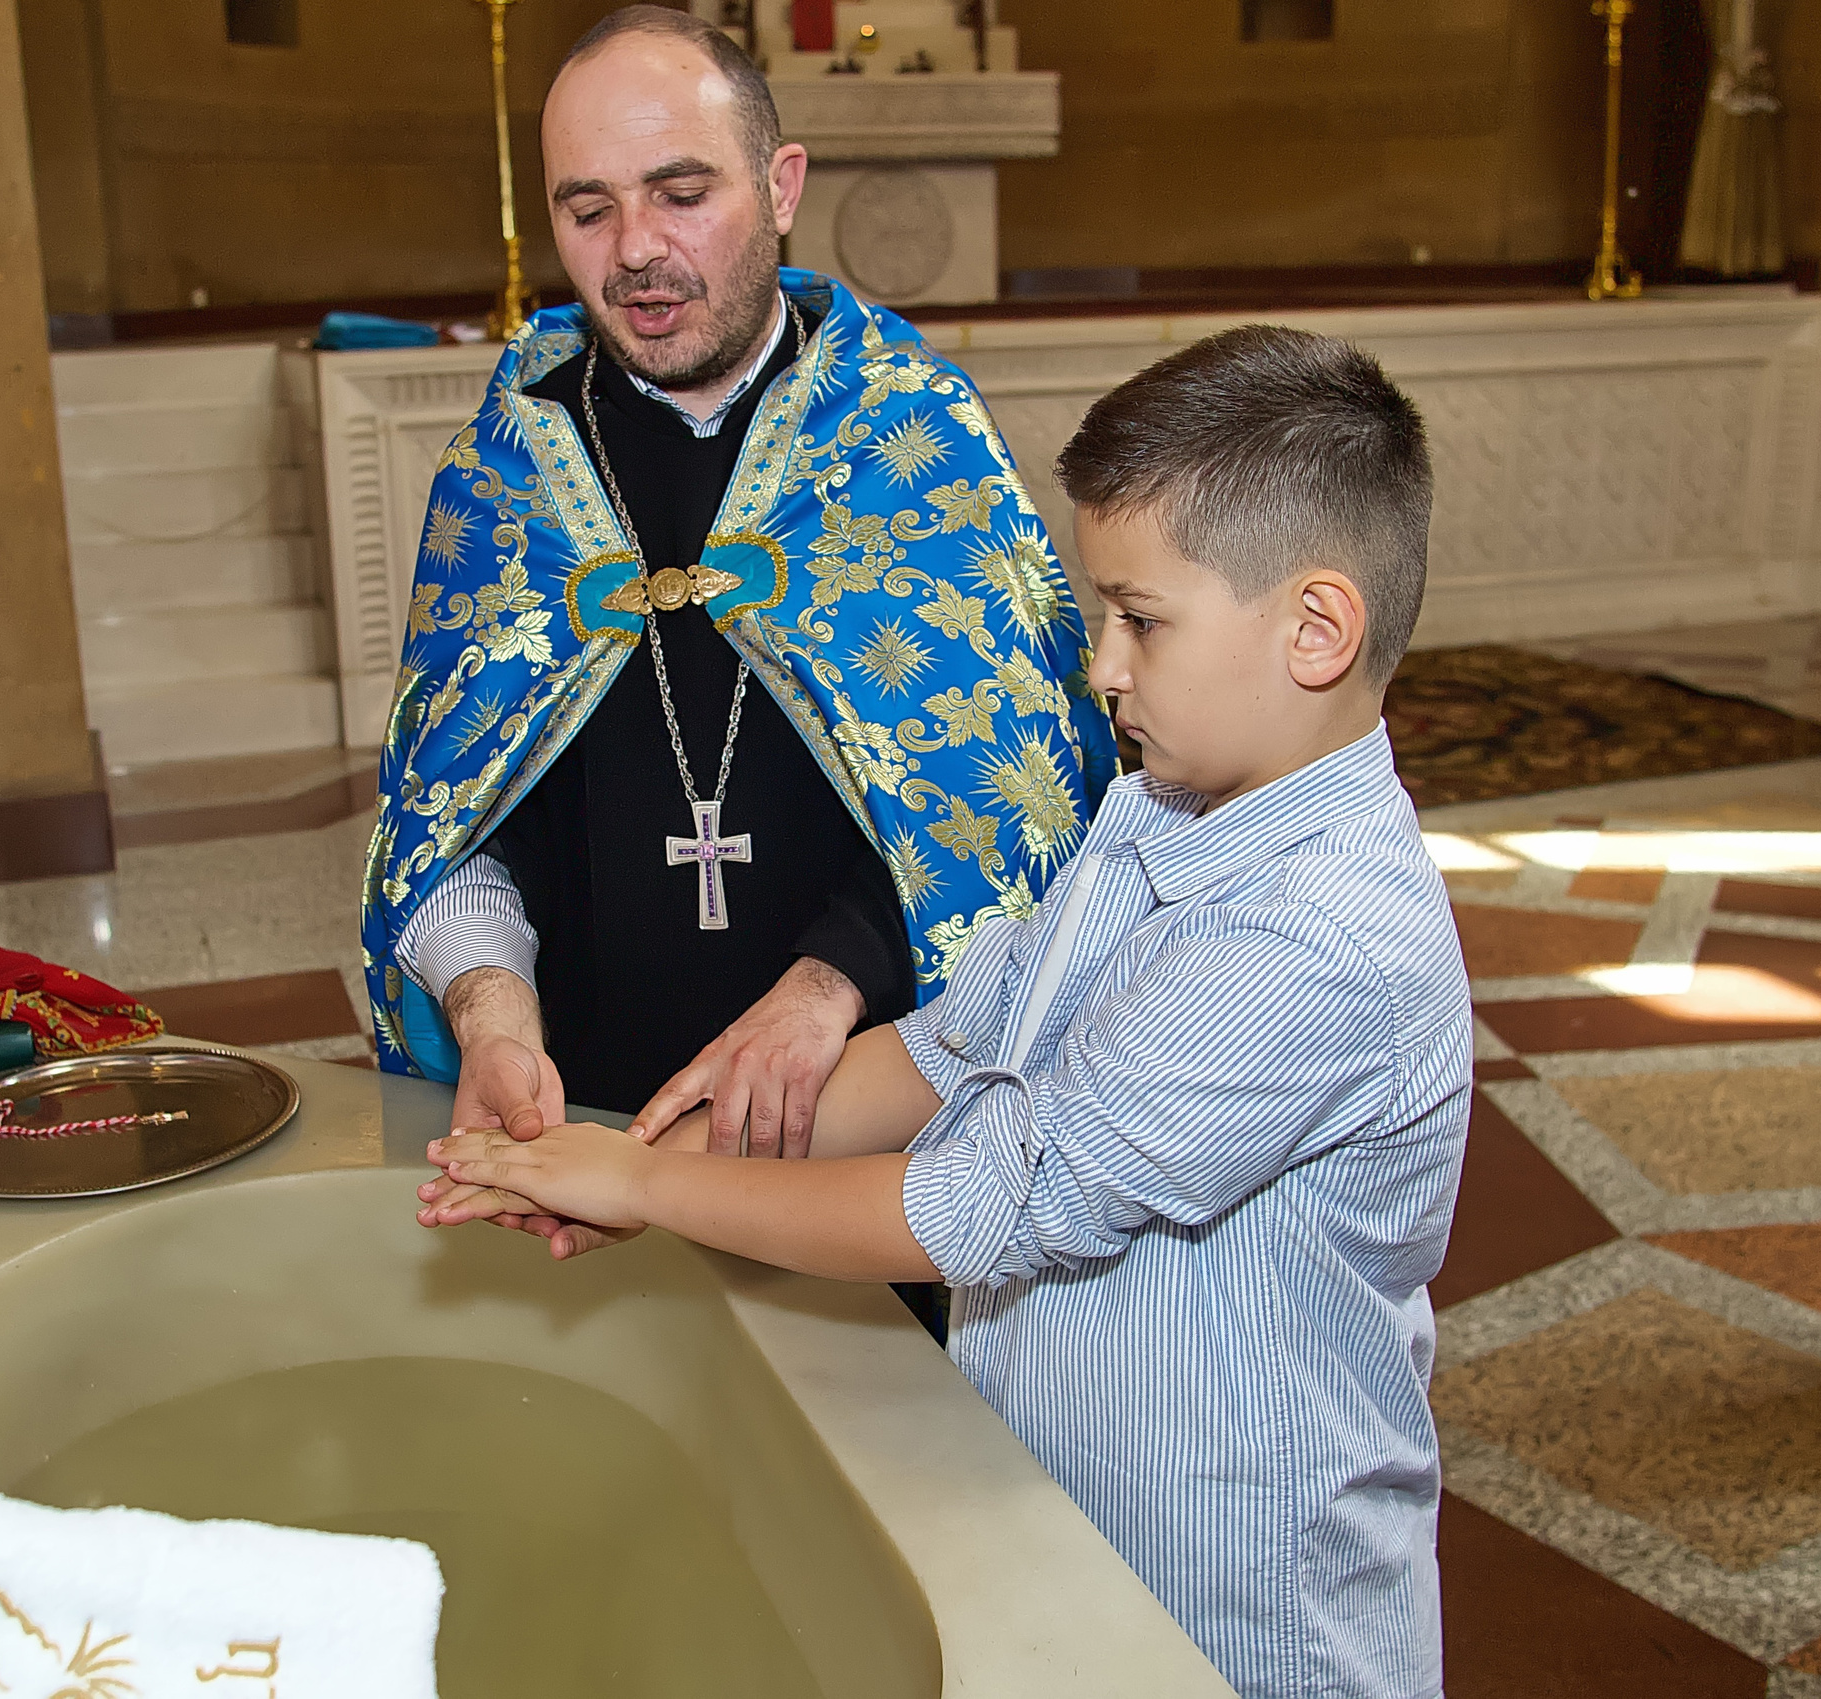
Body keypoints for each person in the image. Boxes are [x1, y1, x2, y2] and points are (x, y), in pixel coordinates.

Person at [421, 325, 1473, 1699]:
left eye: (1141, 620)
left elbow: (983, 1205)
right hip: (1070, 1520)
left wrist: (643, 1184)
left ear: (1315, 631)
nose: (1101, 667)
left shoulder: (1315, 938)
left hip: (1236, 1597)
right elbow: (952, 1040)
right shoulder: (1155, 811)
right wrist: (636, 1163)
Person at [361, 6, 1115, 1174]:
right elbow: (448, 814)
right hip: (581, 1125)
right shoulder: (505, 471)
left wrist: (831, 982)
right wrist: (490, 1005)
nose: (635, 251)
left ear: (779, 186)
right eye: (588, 210)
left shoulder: (913, 437)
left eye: (680, 193)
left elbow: (1020, 794)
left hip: (867, 1122)